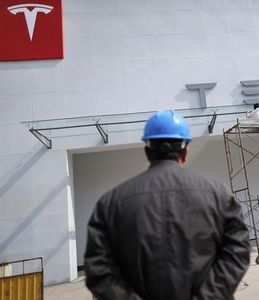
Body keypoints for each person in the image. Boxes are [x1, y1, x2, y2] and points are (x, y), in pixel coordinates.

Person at [84, 110, 250, 300]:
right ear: (185, 151)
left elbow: (98, 268)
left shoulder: (111, 203)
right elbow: (237, 251)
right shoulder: (219, 194)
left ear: (147, 151)